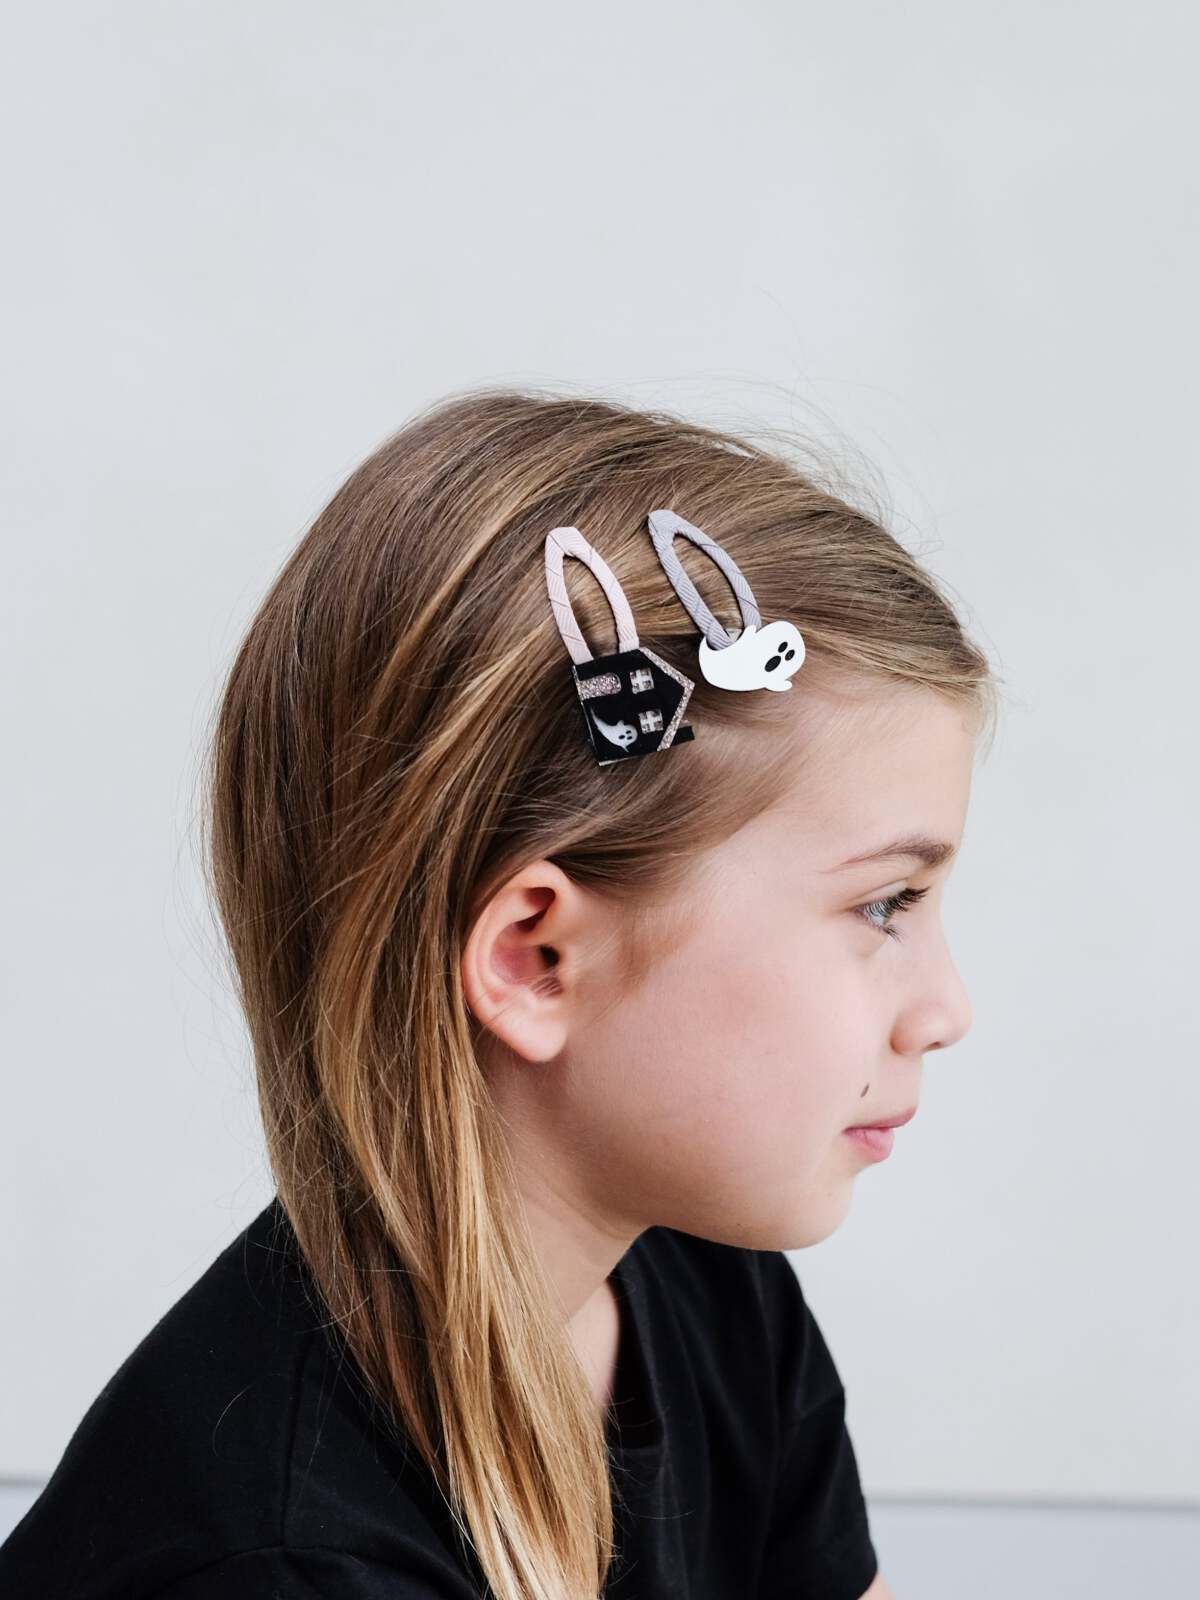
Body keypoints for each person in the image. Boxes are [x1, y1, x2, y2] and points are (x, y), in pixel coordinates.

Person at [0, 388, 996, 1599]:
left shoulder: (710, 1296)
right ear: (536, 959)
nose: (945, 1008)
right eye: (884, 904)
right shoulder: (283, 1558)